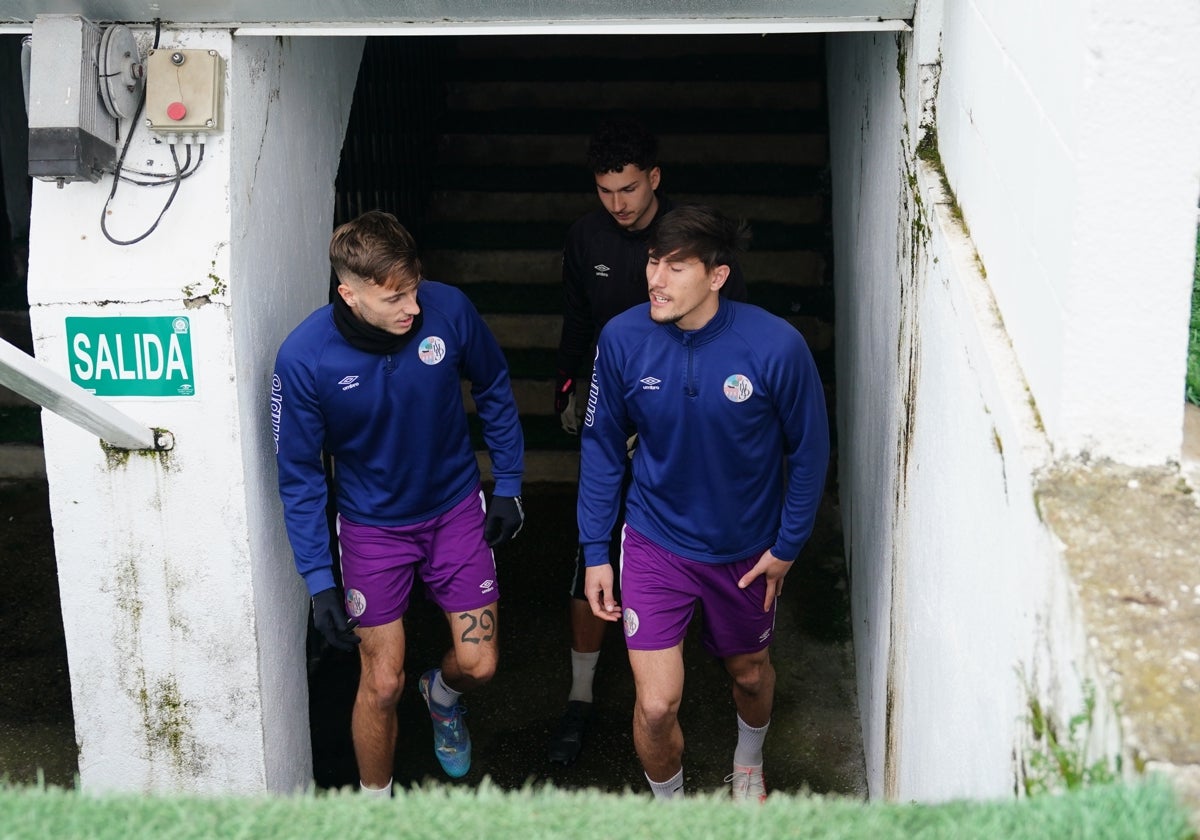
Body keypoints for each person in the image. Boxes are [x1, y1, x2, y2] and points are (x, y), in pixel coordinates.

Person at [577, 205, 829, 801]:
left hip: (744, 551)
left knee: (748, 676)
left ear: (716, 276)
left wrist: (787, 547)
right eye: (652, 261)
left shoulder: (776, 346)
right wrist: (594, 551)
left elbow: (811, 453)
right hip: (655, 542)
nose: (655, 279)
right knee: (658, 704)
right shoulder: (621, 340)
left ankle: (747, 762)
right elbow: (602, 449)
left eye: (676, 267)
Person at [273, 210, 525, 795]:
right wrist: (318, 579)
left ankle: (440, 694)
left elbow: (491, 383)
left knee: (480, 665)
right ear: (350, 294)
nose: (412, 308)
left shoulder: (449, 310)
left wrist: (508, 483)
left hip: (457, 511)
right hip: (371, 529)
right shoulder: (304, 358)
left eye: (413, 289)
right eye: (393, 298)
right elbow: (300, 475)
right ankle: (374, 808)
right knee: (381, 682)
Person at [549, 119, 747, 764]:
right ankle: (580, 697)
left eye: (629, 188)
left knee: (677, 540)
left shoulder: (686, 240)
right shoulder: (586, 236)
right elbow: (578, 314)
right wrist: (567, 380)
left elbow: (726, 327)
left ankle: (696, 666)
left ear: (654, 178)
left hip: (675, 417)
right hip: (611, 404)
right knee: (595, 550)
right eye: (605, 191)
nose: (618, 203)